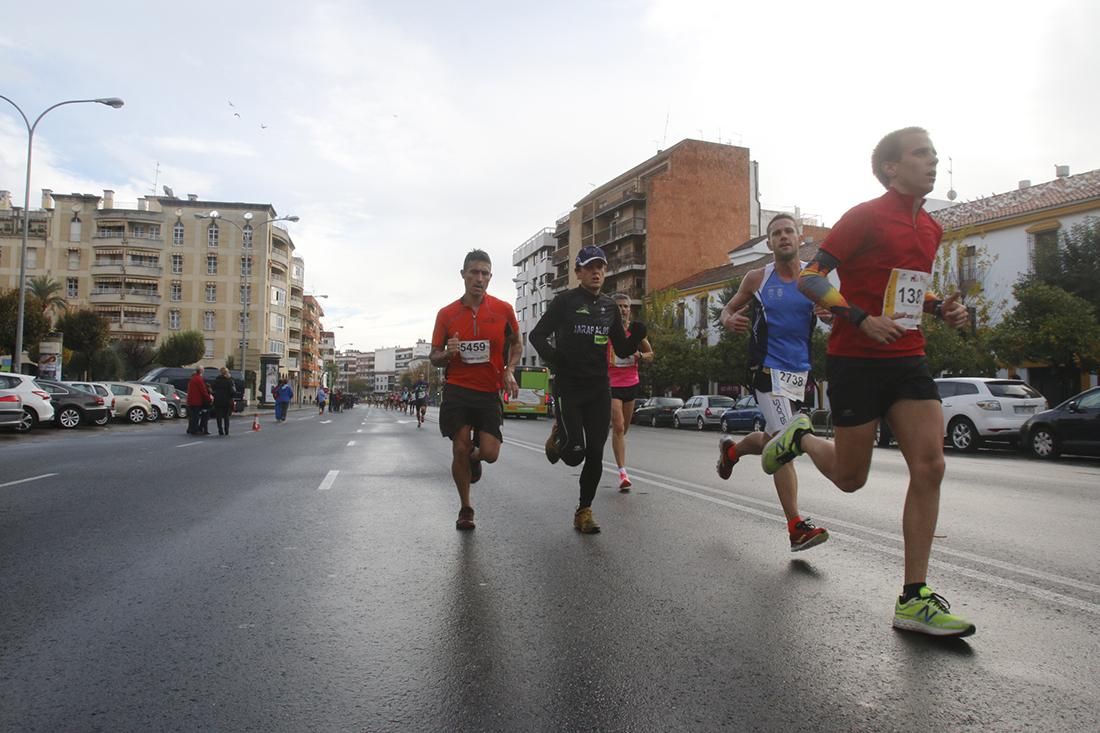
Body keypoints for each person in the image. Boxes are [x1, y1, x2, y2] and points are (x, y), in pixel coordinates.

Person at [764, 126, 975, 637]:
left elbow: (903, 293)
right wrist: (858, 317)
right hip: (855, 357)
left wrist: (938, 308)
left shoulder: (931, 229)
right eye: (921, 155)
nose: (932, 162)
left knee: (931, 465)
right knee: (850, 479)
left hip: (908, 357)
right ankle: (802, 436)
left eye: (934, 155)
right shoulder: (863, 217)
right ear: (891, 169)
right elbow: (813, 279)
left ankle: (914, 598)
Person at [715, 213, 831, 552]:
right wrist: (729, 318)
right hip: (765, 369)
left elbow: (834, 315)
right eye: (776, 233)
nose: (782, 237)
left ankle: (732, 450)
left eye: (788, 232)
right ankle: (796, 526)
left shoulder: (815, 277)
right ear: (769, 243)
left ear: (800, 237)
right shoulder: (757, 277)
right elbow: (727, 310)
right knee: (784, 442)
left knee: (772, 438)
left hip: (800, 373)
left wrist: (831, 317)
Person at [529, 245, 647, 534]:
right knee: (574, 454)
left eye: (601, 267)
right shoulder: (565, 302)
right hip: (569, 386)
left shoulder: (609, 307)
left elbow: (620, 347)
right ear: (578, 272)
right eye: (590, 267)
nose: (596, 272)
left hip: (598, 388)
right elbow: (537, 335)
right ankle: (560, 437)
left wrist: (638, 338)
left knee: (595, 452)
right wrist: (557, 359)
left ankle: (584, 511)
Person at [430, 249, 521, 531]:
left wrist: (509, 370)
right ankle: (466, 508)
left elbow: (516, 345)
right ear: (463, 275)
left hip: (488, 390)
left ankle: (475, 457)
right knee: (459, 445)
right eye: (474, 273)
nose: (479, 279)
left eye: (485, 273)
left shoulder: (504, 309)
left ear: (490, 277)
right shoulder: (447, 314)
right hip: (458, 388)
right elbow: (433, 355)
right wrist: (447, 353)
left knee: (491, 452)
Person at [607, 292, 654, 491]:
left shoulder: (635, 333)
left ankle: (617, 443)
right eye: (619, 306)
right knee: (618, 426)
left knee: (624, 429)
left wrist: (640, 355)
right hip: (611, 384)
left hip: (631, 384)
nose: (623, 310)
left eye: (626, 306)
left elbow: (651, 354)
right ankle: (622, 473)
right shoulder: (607, 331)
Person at [185, 366, 211, 435]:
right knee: (196, 416)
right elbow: (203, 391)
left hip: (191, 400)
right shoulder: (199, 379)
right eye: (203, 370)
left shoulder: (193, 379)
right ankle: (195, 429)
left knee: (192, 416)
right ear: (201, 371)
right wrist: (209, 398)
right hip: (197, 401)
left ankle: (191, 429)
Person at [211, 367, 236, 436]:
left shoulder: (217, 380)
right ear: (227, 373)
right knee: (226, 416)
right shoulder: (229, 381)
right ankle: (226, 430)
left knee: (218, 416)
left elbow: (212, 389)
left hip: (218, 401)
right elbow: (232, 391)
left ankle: (220, 430)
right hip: (227, 401)